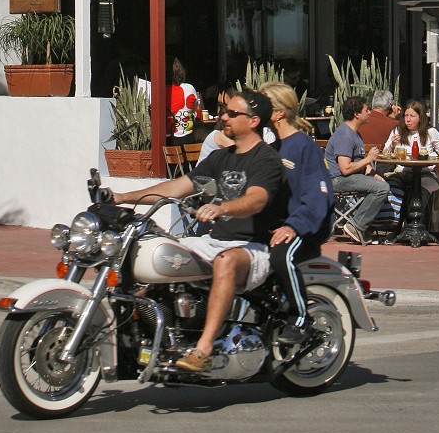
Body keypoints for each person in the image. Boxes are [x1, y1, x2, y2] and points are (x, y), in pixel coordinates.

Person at [111, 88, 285, 374]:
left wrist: (223, 208)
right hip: (213, 240)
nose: (224, 117)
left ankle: (203, 349)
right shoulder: (220, 158)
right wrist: (122, 197)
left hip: (255, 247)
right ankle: (156, 333)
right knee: (158, 251)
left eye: (232, 113)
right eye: (224, 111)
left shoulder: (265, 159)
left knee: (225, 262)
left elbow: (258, 199)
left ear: (253, 121)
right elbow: (175, 188)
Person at [261, 82, 334, 344]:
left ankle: (300, 318)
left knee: (281, 255)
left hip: (304, 227)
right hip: (277, 224)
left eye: (263, 103)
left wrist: (294, 226)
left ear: (279, 112)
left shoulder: (303, 145)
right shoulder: (273, 147)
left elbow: (318, 194)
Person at [326, 95, 392, 244]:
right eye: (366, 110)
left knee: (382, 184)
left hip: (350, 177)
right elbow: (345, 168)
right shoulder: (345, 135)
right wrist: (369, 159)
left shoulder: (356, 133)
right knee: (381, 188)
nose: (369, 112)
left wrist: (374, 174)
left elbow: (360, 162)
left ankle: (363, 228)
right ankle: (357, 225)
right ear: (356, 114)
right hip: (338, 179)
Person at [382, 98, 439, 220]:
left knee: (420, 193)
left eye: (412, 116)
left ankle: (416, 224)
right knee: (391, 185)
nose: (408, 119)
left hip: (425, 172)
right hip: (402, 172)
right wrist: (392, 145)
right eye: (406, 115)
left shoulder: (430, 132)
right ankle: (393, 222)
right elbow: (385, 153)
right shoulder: (398, 131)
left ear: (420, 117)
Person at [168, 57, 201, 141]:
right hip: (187, 136)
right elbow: (198, 112)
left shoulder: (162, 91)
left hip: (168, 137)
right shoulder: (190, 88)